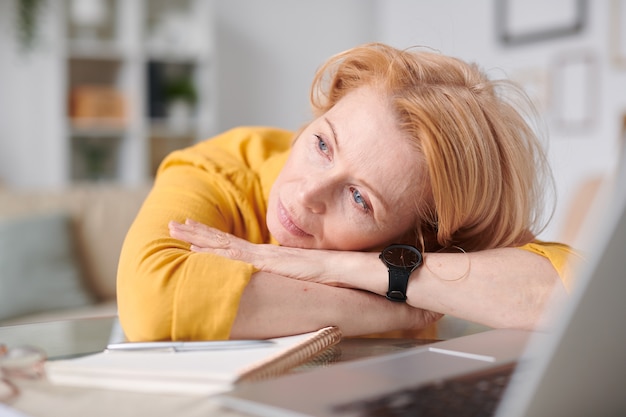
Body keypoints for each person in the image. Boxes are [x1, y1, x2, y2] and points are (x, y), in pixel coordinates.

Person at [117, 42, 577, 342]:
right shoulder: (223, 164)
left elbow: (578, 295)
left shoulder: (422, 244)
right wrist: (395, 311)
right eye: (322, 144)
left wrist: (344, 267)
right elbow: (152, 302)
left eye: (361, 199)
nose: (307, 194)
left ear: (418, 241)